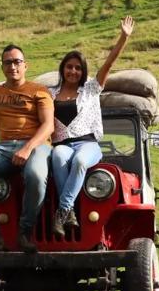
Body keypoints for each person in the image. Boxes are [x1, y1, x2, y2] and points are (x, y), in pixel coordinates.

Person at [50, 16, 134, 236]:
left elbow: (109, 63)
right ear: (63, 69)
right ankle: (68, 214)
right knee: (57, 156)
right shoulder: (50, 94)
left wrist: (123, 37)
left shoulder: (91, 88)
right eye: (69, 67)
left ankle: (62, 210)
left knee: (79, 161)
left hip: (87, 144)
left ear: (83, 71)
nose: (73, 71)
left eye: (78, 68)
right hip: (63, 145)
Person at [0, 44, 54, 253]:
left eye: (17, 62)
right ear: (2, 67)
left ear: (25, 66)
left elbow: (48, 126)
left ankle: (25, 231)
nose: (12, 66)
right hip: (4, 147)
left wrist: (27, 148)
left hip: (37, 144)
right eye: (8, 62)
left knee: (34, 174)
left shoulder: (40, 91)